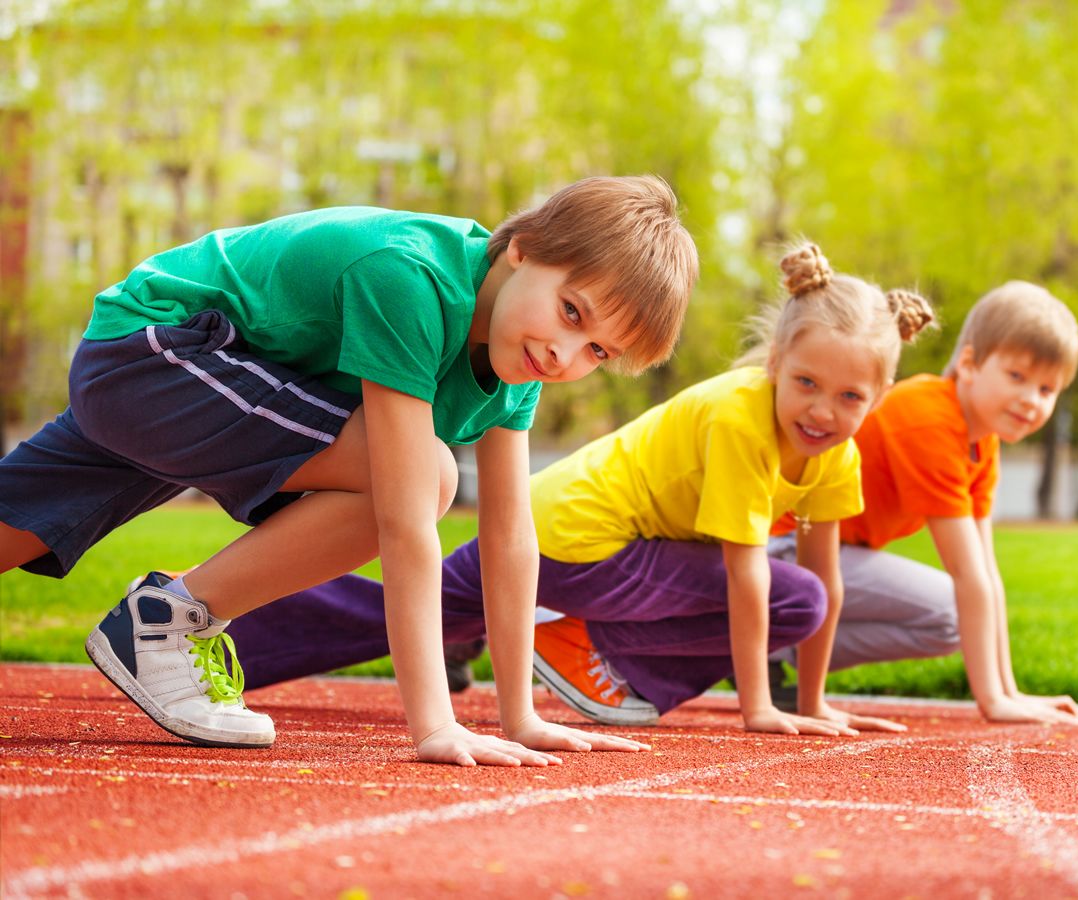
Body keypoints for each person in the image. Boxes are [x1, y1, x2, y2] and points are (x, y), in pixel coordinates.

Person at [0, 175, 698, 765]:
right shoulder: (410, 278)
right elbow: (401, 515)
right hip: (157, 353)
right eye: (571, 312)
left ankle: (165, 619)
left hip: (183, 381)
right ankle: (165, 620)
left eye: (598, 352)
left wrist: (519, 716)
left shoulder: (519, 360)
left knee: (16, 526)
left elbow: (511, 537)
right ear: (522, 251)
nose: (564, 354)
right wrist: (434, 725)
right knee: (427, 478)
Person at [221, 241, 936, 737]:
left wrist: (815, 702)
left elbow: (832, 578)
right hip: (582, 541)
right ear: (777, 361)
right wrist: (760, 709)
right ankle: (585, 653)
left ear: (880, 396)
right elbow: (751, 579)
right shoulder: (740, 419)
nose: (821, 410)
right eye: (806, 383)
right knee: (792, 599)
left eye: (848, 397)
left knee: (408, 609)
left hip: (558, 529)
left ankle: (216, 647)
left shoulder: (833, 450)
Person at [767, 280, 1078, 725]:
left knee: (950, 621)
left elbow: (988, 572)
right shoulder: (928, 419)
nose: (1030, 400)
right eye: (1017, 377)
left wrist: (1013, 691)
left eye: (1047, 390)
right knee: (953, 606)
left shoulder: (982, 441)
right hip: (784, 548)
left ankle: (777, 646)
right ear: (971, 364)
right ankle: (753, 633)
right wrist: (992, 701)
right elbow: (966, 573)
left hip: (834, 554)